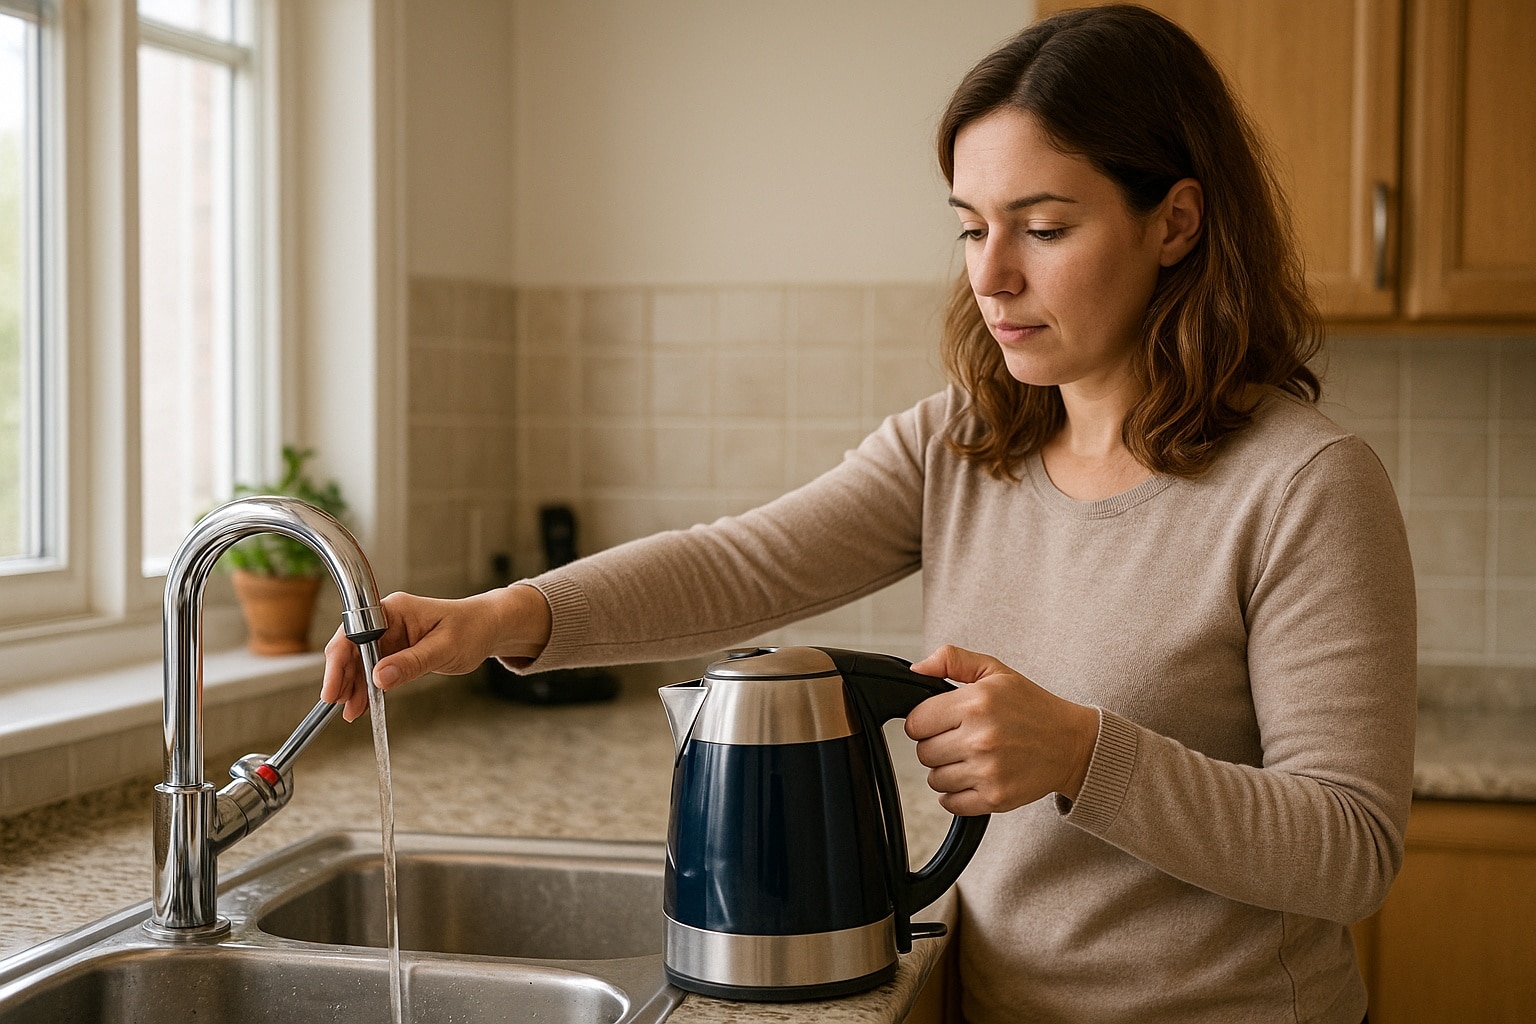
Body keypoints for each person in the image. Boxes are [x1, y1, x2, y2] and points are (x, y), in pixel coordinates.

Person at [322, 6, 1415, 1022]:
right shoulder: (965, 442)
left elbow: (1351, 847)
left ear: (1175, 221)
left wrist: (1085, 753)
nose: (992, 275)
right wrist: (502, 617)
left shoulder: (1305, 485)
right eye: (971, 226)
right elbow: (740, 567)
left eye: (1041, 226)